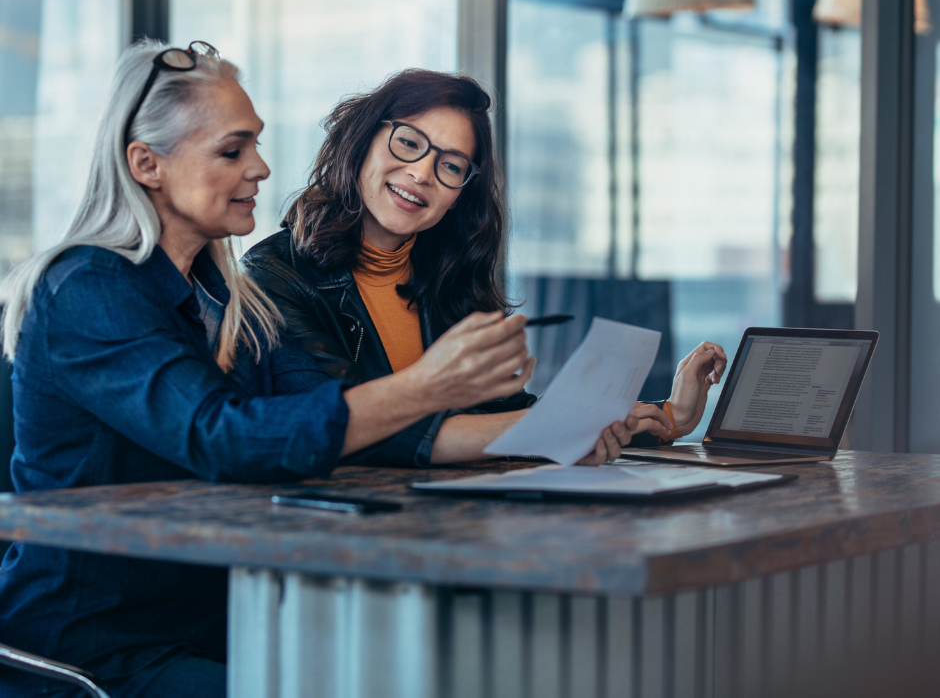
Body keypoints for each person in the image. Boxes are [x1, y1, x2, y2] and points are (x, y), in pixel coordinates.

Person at [0, 42, 581, 697]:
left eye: (256, 146)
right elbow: (223, 437)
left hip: (215, 619)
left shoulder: (229, 300)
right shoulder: (86, 288)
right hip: (99, 644)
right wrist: (427, 385)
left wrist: (562, 435)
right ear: (147, 164)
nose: (261, 168)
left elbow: (347, 419)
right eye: (232, 151)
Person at [243, 69, 728, 461]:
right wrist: (558, 429)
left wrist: (669, 416)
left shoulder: (447, 279)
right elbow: (352, 428)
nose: (421, 173)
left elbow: (502, 415)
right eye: (409, 143)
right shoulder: (272, 277)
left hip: (452, 525)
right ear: (362, 140)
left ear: (459, 196)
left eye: (451, 166)